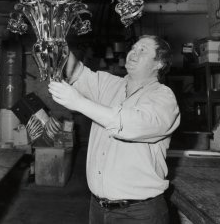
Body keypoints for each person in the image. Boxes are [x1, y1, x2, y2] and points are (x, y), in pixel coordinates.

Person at [48, 35, 180, 224]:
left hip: (139, 213)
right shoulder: (111, 84)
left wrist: (79, 103)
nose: (133, 52)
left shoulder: (163, 98)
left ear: (159, 62)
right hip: (98, 209)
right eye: (133, 48)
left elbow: (130, 123)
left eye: (143, 50)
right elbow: (76, 72)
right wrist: (56, 37)